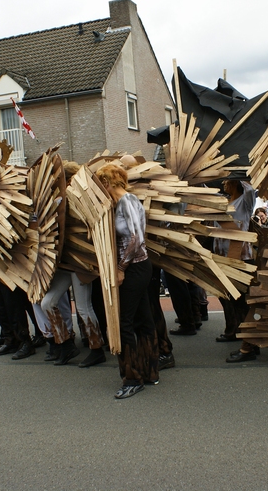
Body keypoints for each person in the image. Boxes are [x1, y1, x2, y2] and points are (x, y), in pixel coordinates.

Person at [96, 163, 158, 399]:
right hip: (138, 267)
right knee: (143, 319)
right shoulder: (125, 201)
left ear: (108, 182)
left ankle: (132, 378)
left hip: (134, 268)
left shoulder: (126, 201)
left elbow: (135, 238)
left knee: (124, 323)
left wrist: (121, 268)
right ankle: (150, 371)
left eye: (102, 183)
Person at [215, 178, 256, 344]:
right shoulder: (224, 201)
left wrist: (237, 174)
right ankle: (231, 329)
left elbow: (251, 190)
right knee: (225, 295)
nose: (223, 184)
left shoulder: (245, 202)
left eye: (227, 181)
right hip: (221, 253)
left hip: (240, 255)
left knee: (240, 297)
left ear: (235, 183)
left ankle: (246, 334)